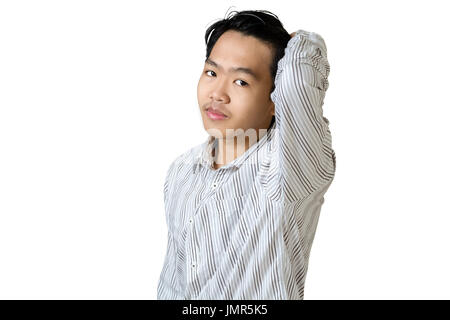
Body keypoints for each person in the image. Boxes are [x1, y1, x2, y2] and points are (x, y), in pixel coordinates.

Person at [157, 9, 336, 300]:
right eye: (212, 73)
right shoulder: (182, 170)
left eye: (241, 81)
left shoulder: (287, 170)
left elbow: (299, 83)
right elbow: (173, 282)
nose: (217, 93)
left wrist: (298, 45)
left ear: (276, 99)